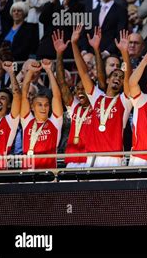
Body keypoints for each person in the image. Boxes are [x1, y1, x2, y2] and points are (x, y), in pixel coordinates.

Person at [72, 25, 132, 167]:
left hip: (114, 157)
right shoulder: (96, 97)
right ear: (107, 80)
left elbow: (130, 78)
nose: (118, 78)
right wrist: (74, 44)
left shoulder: (125, 100)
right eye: (115, 75)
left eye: (121, 77)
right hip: (92, 156)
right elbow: (83, 73)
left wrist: (124, 53)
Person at [52, 29, 94, 168]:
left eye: (84, 89)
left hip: (90, 160)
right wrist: (59, 54)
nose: (80, 92)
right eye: (77, 89)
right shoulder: (74, 106)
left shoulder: (98, 106)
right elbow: (61, 82)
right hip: (71, 159)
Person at [20, 59, 63, 169]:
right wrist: (30, 71)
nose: (43, 108)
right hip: (27, 175)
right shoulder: (27, 121)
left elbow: (57, 96)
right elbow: (24, 95)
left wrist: (49, 71)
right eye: (39, 105)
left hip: (48, 174)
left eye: (46, 105)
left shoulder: (55, 122)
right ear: (32, 108)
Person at [0, 61, 21, 169]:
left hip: (0, 171)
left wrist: (11, 72)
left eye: (3, 98)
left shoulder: (10, 121)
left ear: (9, 105)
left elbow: (17, 95)